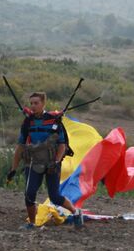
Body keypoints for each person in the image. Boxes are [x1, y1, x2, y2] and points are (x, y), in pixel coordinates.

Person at [8, 92, 82, 229]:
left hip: (51, 163)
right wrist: (13, 168)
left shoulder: (54, 121)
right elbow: (20, 147)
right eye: (31, 103)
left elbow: (62, 145)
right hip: (33, 163)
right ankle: (31, 223)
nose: (33, 106)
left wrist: (57, 162)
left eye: (36, 103)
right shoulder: (28, 122)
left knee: (54, 197)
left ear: (43, 104)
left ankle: (76, 212)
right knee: (29, 194)